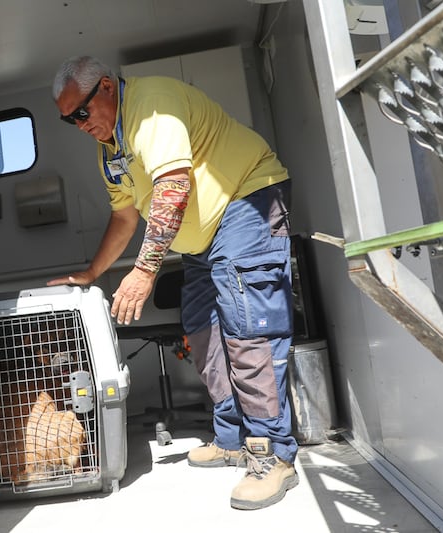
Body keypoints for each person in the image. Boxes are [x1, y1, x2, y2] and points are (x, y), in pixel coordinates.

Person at [49, 55, 297, 510]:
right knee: (201, 333)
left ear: (106, 87)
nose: (79, 124)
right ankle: (231, 438)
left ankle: (272, 455)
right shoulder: (111, 148)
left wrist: (144, 271)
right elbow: (124, 216)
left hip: (245, 201)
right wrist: (91, 274)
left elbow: (173, 187)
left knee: (248, 332)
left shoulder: (150, 106)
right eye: (69, 120)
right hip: (199, 240)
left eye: (81, 112)